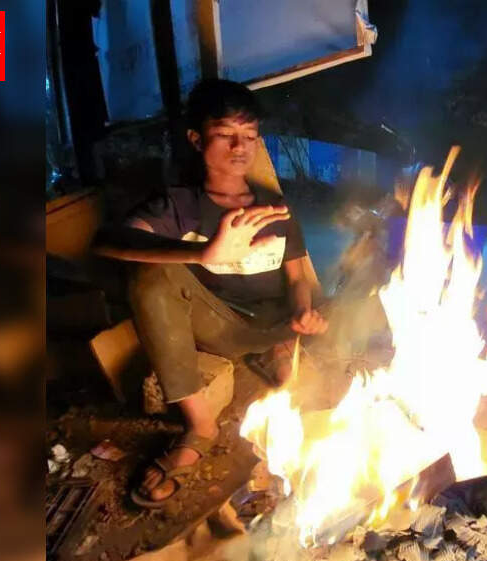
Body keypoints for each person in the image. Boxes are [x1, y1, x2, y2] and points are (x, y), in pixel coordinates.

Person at [94, 79, 328, 506]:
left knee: (367, 298)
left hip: (275, 327)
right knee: (147, 273)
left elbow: (297, 279)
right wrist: (202, 252)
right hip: (216, 328)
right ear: (197, 139)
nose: (240, 147)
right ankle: (200, 425)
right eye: (225, 134)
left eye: (250, 136)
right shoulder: (179, 205)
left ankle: (278, 352)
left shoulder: (274, 206)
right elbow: (107, 241)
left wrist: (302, 313)